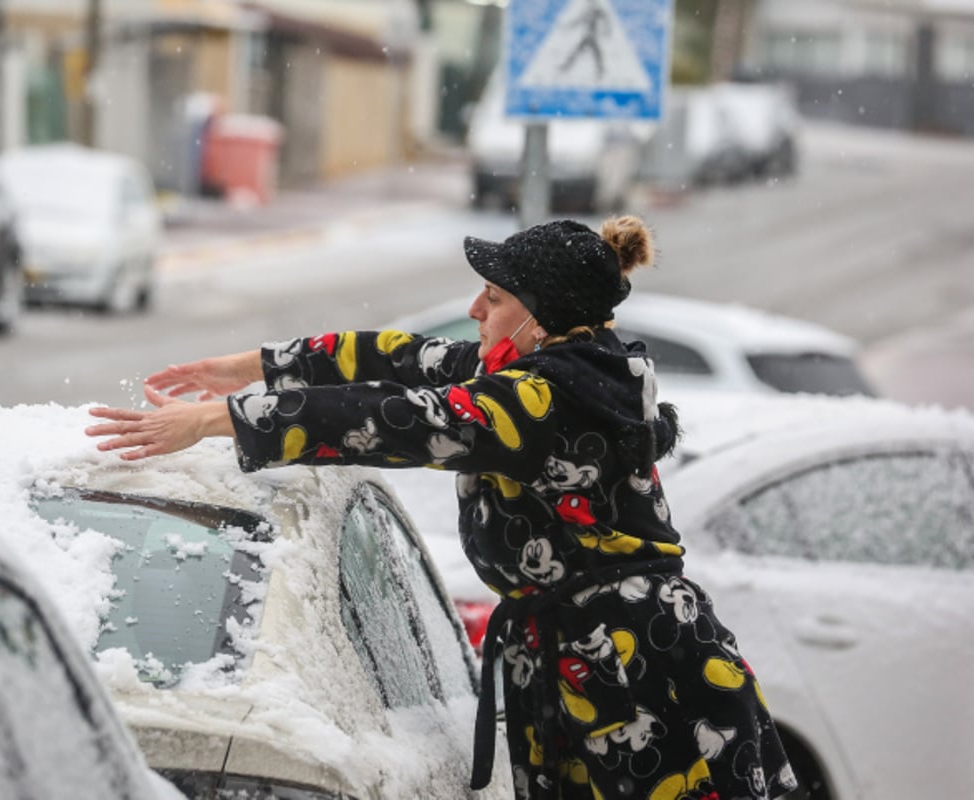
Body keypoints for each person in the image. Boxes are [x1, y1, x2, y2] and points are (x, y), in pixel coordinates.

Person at [85, 216, 797, 800]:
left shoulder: (545, 401)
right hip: (587, 655)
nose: (474, 310)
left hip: (632, 667)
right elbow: (396, 360)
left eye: (492, 295)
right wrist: (254, 367)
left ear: (539, 315)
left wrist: (224, 420)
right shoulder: (544, 370)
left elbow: (397, 419)